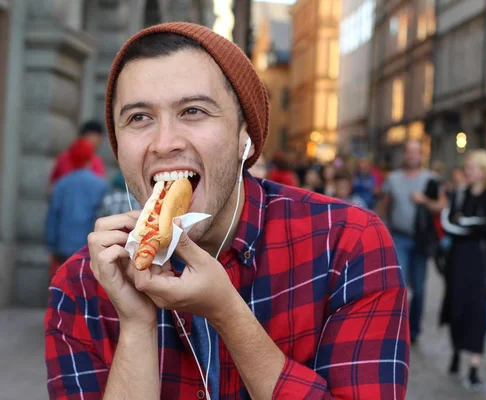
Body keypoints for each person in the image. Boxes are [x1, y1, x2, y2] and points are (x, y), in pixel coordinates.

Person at [44, 23, 409, 399]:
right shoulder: (80, 285)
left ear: (244, 137)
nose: (164, 143)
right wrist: (137, 325)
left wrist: (228, 315)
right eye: (139, 117)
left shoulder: (346, 243)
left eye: (194, 111)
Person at [440, 149, 486, 391]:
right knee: (456, 307)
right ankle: (456, 351)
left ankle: (474, 367)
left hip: (481, 262)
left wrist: (464, 222)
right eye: (467, 166)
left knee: (477, 311)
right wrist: (470, 224)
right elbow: (448, 224)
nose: (468, 171)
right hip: (458, 261)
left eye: (473, 166)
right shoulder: (458, 194)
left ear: (485, 170)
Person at [377, 139, 447, 343]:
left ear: (421, 155)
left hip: (422, 241)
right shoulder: (393, 178)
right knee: (398, 285)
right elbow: (383, 206)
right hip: (399, 238)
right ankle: (396, 328)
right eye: (409, 152)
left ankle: (414, 329)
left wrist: (424, 200)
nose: (412, 156)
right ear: (404, 155)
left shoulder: (431, 178)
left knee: (420, 287)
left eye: (416, 152)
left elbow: (441, 206)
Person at [44, 138, 108, 278]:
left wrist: (50, 246)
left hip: (63, 247)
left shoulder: (61, 185)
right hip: (89, 248)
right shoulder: (101, 185)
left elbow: (53, 217)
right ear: (90, 158)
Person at [49, 120, 106, 185]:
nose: (97, 142)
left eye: (99, 139)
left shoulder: (97, 161)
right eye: (92, 137)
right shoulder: (65, 157)